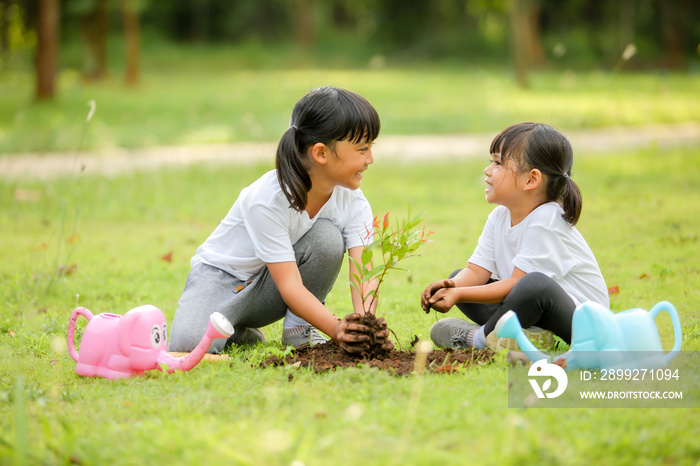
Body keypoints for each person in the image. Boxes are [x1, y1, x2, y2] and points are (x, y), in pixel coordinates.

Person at [168, 86, 391, 354]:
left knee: (328, 238)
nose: (370, 159)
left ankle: (298, 329)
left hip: (267, 290)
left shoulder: (353, 201)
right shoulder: (266, 199)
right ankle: (236, 330)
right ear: (321, 153)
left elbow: (363, 272)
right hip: (221, 280)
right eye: (362, 149)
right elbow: (290, 286)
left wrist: (365, 327)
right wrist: (335, 329)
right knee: (187, 347)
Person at [421, 122, 608, 350]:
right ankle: (527, 337)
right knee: (459, 275)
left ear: (531, 179)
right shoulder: (499, 216)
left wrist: (458, 293)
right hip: (539, 316)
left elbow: (519, 286)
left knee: (534, 285)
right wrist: (452, 287)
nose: (487, 170)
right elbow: (477, 272)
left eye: (498, 163)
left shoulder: (547, 220)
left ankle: (478, 340)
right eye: (491, 161)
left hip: (587, 325)